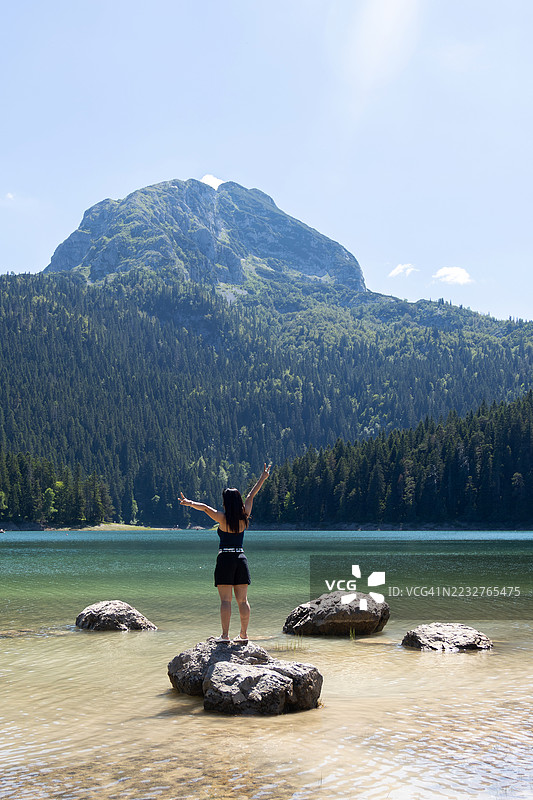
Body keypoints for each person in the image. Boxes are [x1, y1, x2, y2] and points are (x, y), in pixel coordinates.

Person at [179, 463, 271, 644]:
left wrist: (189, 503)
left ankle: (225, 636)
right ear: (238, 501)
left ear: (225, 502)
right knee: (243, 601)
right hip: (241, 558)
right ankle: (244, 635)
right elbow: (252, 495)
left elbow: (205, 507)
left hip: (225, 559)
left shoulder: (222, 518)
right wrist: (263, 477)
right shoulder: (244, 516)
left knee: (225, 601)